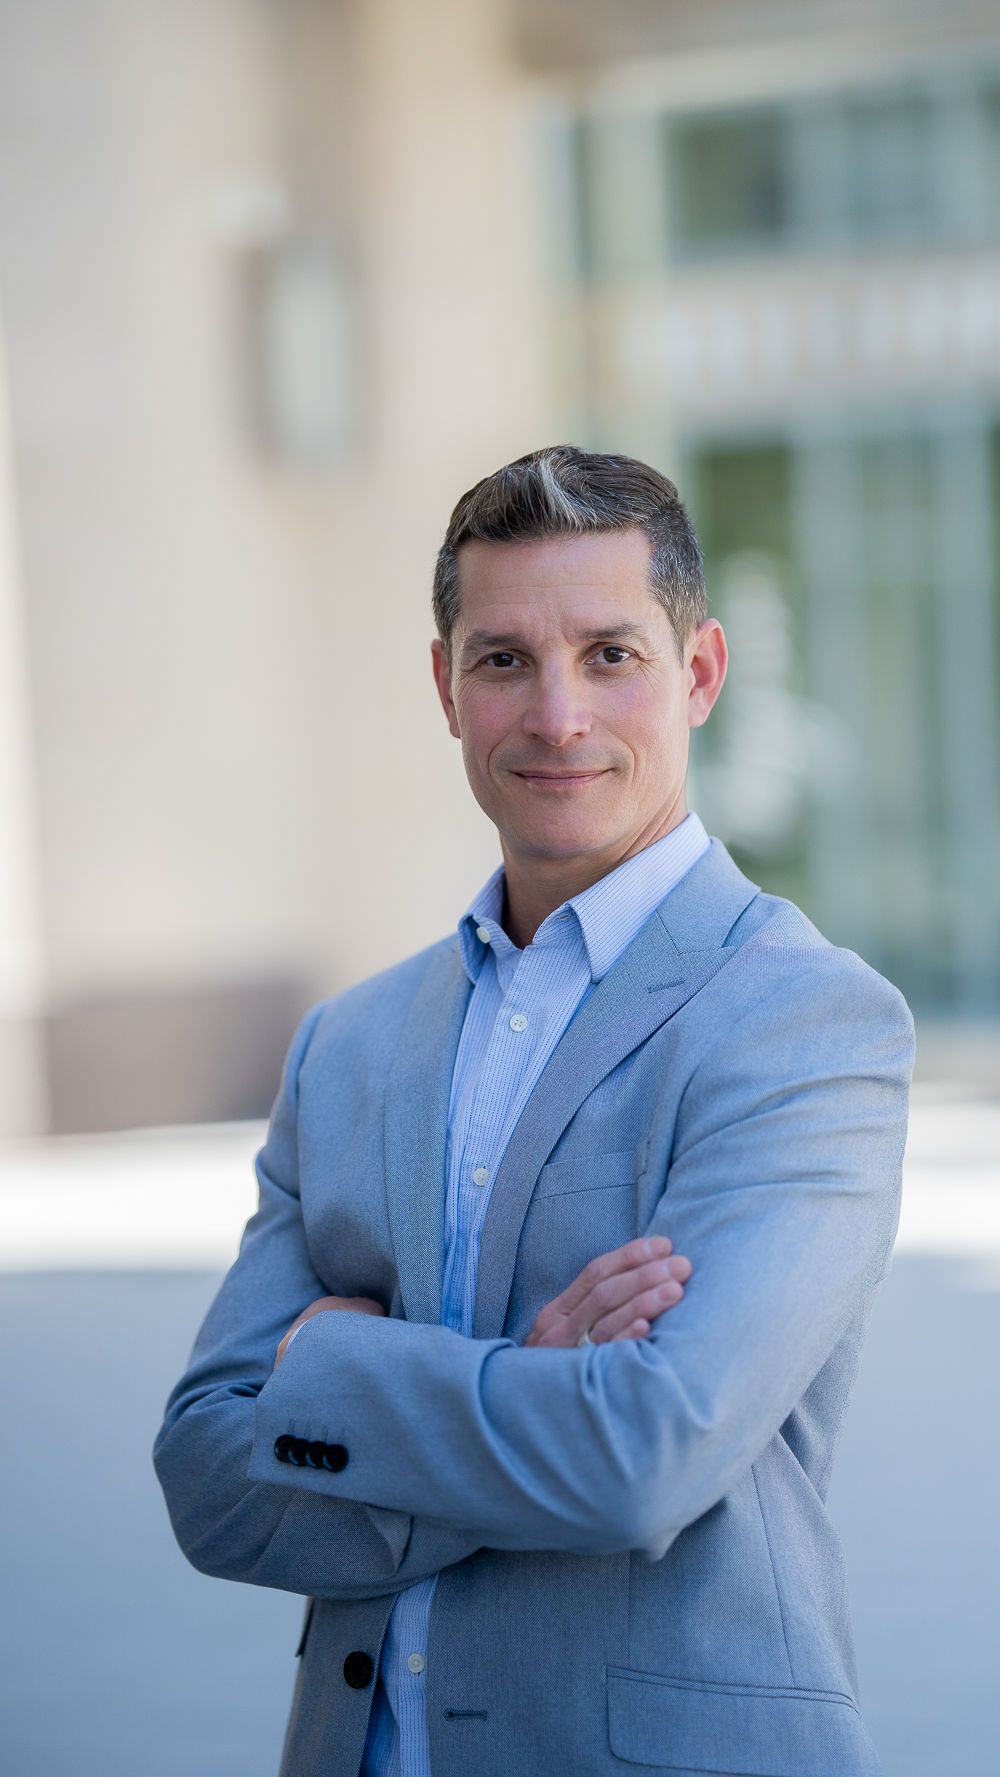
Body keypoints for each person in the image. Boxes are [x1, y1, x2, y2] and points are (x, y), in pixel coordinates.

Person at [153, 445, 914, 1777]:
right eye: (505, 659)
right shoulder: (351, 1045)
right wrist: (526, 1384)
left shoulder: (805, 1021)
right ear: (445, 686)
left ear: (700, 671)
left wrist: (336, 1380)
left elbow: (640, 1455)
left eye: (610, 653)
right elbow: (210, 1479)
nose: (558, 714)